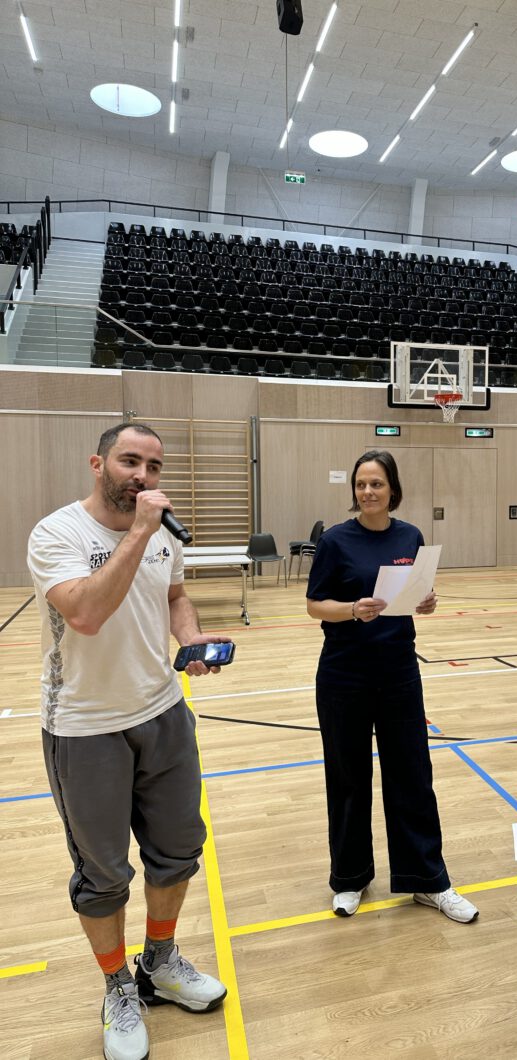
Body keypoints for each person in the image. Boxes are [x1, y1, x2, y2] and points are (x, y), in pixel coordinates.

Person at [27, 423, 228, 1060]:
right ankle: (117, 985)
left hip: (164, 714)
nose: (143, 475)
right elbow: (84, 613)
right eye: (130, 461)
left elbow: (174, 596)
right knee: (104, 873)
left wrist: (189, 637)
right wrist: (139, 532)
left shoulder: (163, 538)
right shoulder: (57, 533)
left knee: (177, 852)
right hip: (84, 726)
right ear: (98, 464)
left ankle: (160, 962)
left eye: (154, 466)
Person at [306, 449, 478, 924]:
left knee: (412, 776)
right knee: (348, 778)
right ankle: (350, 878)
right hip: (344, 673)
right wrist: (351, 610)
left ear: (392, 489)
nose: (368, 492)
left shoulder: (410, 536)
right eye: (361, 484)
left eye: (376, 484)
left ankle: (427, 880)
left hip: (400, 670)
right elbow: (314, 604)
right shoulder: (336, 541)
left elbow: (414, 593)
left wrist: (427, 603)